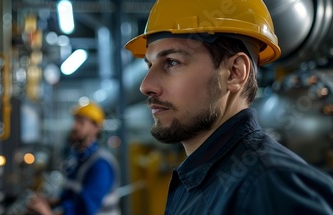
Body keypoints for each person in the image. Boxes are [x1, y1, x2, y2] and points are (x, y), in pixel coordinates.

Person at [125, 0, 333, 214]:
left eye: (171, 62)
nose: (145, 85)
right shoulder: (197, 179)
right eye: (150, 66)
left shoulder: (271, 185)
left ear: (235, 73)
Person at [28, 102, 120, 215]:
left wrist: (47, 213)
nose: (74, 126)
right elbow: (73, 195)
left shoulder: (101, 164)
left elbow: (86, 210)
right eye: (75, 121)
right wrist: (51, 202)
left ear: (95, 128)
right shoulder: (79, 158)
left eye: (81, 122)